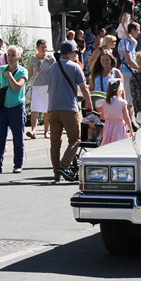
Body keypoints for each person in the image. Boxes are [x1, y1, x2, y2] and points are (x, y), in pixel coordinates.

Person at [47, 41, 92, 182]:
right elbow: (84, 88)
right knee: (75, 140)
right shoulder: (75, 67)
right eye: (75, 53)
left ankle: (56, 174)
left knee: (55, 142)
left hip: (52, 108)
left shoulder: (52, 67)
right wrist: (89, 102)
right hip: (69, 108)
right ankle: (64, 166)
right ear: (71, 53)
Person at [0, 45, 28, 174]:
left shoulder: (23, 71)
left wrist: (10, 76)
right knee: (0, 137)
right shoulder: (1, 69)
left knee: (17, 137)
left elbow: (17, 87)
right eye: (8, 55)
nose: (10, 58)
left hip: (16, 107)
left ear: (19, 57)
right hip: (3, 108)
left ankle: (18, 164)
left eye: (13, 55)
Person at [27, 39, 55, 139]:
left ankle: (46, 131)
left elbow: (54, 73)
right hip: (36, 86)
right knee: (34, 109)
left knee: (47, 110)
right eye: (42, 47)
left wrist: (52, 86)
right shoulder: (33, 58)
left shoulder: (50, 58)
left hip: (47, 87)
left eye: (45, 47)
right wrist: (28, 84)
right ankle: (33, 131)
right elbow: (30, 73)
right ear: (37, 48)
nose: (44, 49)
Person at [96, 78, 133, 146]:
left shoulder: (104, 102)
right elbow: (126, 117)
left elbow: (103, 116)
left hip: (107, 126)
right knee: (118, 144)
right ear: (119, 90)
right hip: (119, 127)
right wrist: (131, 129)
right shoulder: (122, 103)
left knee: (107, 144)